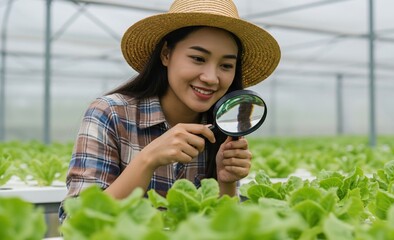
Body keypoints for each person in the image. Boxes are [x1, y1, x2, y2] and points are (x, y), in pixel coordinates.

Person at [59, 0, 280, 221]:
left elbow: (224, 229)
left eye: (226, 65)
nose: (211, 78)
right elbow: (74, 223)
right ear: (166, 54)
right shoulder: (110, 113)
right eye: (198, 58)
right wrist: (148, 159)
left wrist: (227, 182)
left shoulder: (222, 130)